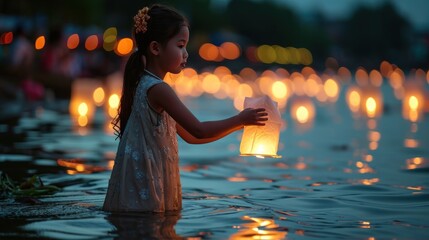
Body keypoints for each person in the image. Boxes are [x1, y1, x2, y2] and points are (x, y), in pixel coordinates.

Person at [103, 4, 268, 213]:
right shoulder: (157, 88)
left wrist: (240, 125)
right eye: (180, 45)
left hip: (143, 181)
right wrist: (239, 120)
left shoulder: (145, 83)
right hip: (146, 184)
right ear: (155, 48)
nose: (186, 54)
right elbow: (198, 129)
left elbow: (193, 137)